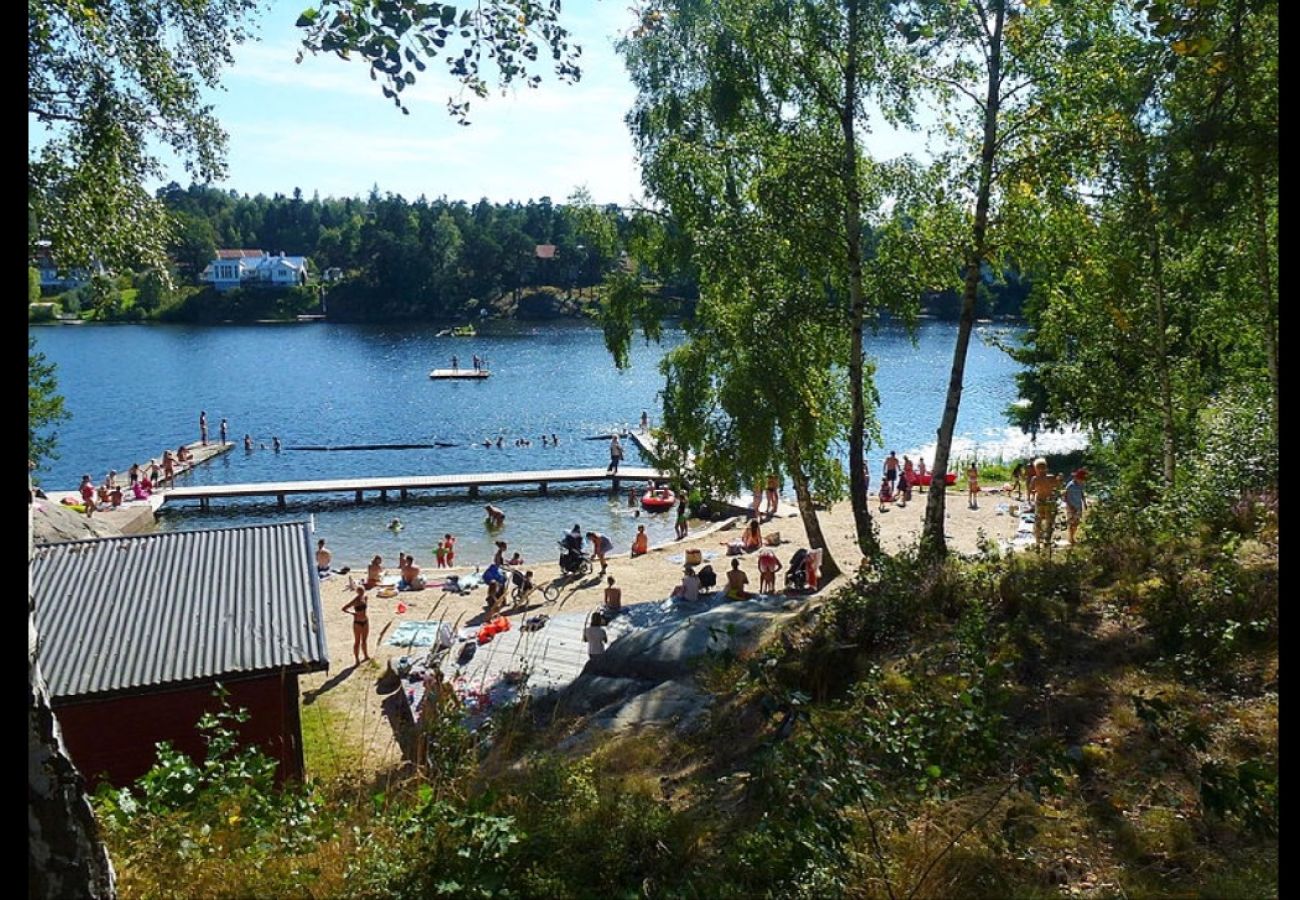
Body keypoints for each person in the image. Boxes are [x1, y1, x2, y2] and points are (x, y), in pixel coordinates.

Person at [1028, 457, 1063, 550]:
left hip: (1044, 501)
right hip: (1045, 501)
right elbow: (1058, 486)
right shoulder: (1046, 478)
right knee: (1045, 522)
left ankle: (1041, 541)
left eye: (1040, 468)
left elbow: (1031, 490)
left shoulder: (1038, 478)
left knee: (1042, 522)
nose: (1040, 470)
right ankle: (1043, 541)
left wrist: (1059, 480)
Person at [342, 586, 370, 665]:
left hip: (365, 621)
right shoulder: (355, 600)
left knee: (364, 640)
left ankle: (366, 655)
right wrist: (353, 613)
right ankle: (357, 659)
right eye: (360, 591)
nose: (362, 593)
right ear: (357, 592)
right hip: (357, 623)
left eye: (363, 591)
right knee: (357, 641)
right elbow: (344, 608)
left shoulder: (365, 598)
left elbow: (365, 608)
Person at [1064, 469, 1088, 546]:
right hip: (1071, 506)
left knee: (1077, 522)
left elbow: (1082, 493)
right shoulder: (1070, 485)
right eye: (1081, 479)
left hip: (1078, 506)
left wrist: (1084, 502)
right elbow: (1065, 497)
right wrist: (1070, 506)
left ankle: (1072, 536)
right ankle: (1071, 538)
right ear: (1076, 478)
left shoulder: (1081, 485)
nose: (1082, 481)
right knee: (1071, 522)